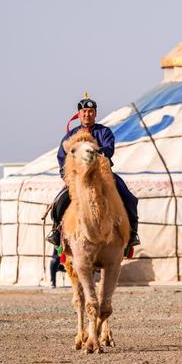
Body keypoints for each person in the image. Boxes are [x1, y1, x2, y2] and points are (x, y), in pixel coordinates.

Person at [45, 94, 140, 250]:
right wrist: (66, 177)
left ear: (95, 113)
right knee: (59, 201)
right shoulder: (71, 136)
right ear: (79, 114)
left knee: (128, 197)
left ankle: (132, 233)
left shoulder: (104, 132)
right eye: (84, 112)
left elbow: (109, 149)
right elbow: (62, 158)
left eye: (90, 111)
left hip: (103, 174)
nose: (87, 114)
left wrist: (91, 151)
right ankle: (56, 231)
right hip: (77, 177)